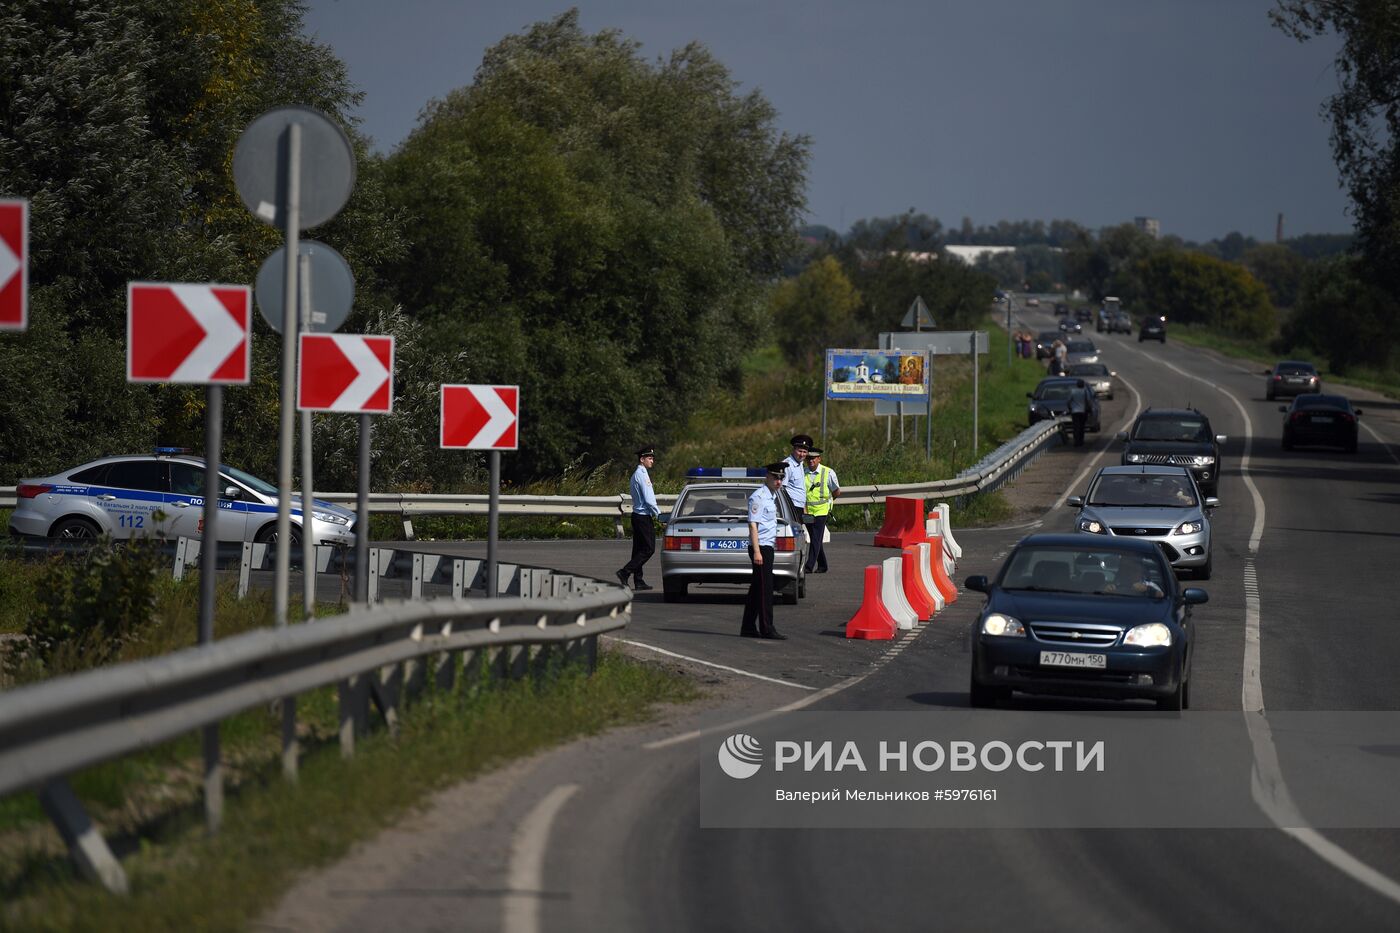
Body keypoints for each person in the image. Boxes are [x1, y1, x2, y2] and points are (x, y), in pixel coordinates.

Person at [740, 462, 787, 640]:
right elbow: (753, 525)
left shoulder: (772, 496)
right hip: (761, 548)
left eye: (781, 478)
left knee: (757, 589)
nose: (778, 481)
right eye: (775, 477)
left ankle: (748, 626)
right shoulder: (759, 497)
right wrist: (757, 552)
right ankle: (767, 628)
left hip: (767, 547)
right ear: (767, 476)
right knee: (766, 590)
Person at [617, 446, 660, 590]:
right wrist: (658, 514)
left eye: (652, 458)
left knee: (638, 550)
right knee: (649, 549)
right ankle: (625, 572)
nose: (652, 460)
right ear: (642, 459)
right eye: (649, 458)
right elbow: (649, 499)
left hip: (638, 516)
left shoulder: (639, 473)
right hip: (642, 517)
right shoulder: (642, 474)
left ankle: (638, 580)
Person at [802, 447, 840, 573]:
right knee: (815, 539)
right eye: (809, 458)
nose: (810, 460)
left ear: (819, 459)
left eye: (813, 458)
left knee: (816, 538)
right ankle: (823, 565)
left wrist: (828, 502)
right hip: (808, 511)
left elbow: (836, 491)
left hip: (822, 511)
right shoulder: (803, 472)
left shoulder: (828, 472)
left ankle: (808, 566)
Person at [781, 434, 811, 536]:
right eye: (799, 451)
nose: (802, 454)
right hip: (791, 507)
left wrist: (804, 508)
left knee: (798, 536)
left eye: (804, 452)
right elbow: (782, 489)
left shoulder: (800, 464)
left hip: (799, 507)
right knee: (792, 536)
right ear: (793, 449)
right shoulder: (787, 465)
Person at [1068, 379, 1093, 447]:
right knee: (1082, 427)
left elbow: (1069, 401)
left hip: (1074, 411)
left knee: (1076, 427)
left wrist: (1070, 408)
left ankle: (1076, 441)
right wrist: (1090, 409)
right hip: (1083, 411)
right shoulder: (1085, 391)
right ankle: (1081, 441)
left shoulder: (1073, 391)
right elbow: (1088, 401)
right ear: (1083, 385)